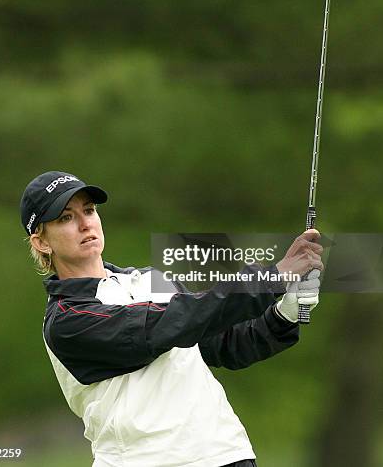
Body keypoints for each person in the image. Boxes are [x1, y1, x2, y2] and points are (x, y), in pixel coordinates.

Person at [20, 170, 323, 467]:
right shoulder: (67, 320)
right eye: (66, 218)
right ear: (41, 242)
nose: (86, 224)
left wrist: (285, 313)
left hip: (226, 453)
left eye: (89, 210)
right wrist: (272, 278)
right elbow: (170, 324)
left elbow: (227, 344)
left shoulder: (150, 280)